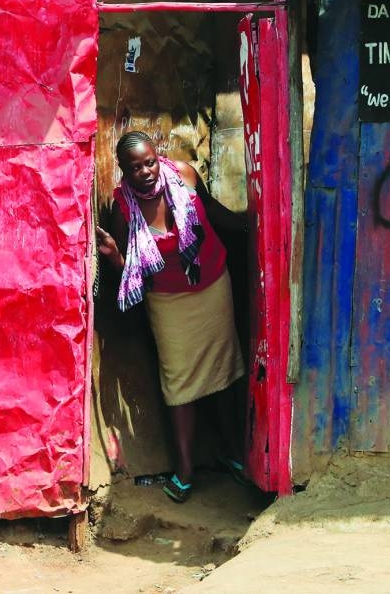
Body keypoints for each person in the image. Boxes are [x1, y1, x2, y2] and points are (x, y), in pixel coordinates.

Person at [96, 130, 248, 503]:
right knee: (179, 383)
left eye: (149, 162)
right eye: (136, 167)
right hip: (167, 299)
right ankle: (184, 469)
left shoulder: (183, 174)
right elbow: (129, 268)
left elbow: (211, 213)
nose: (146, 171)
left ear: (156, 156)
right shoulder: (124, 208)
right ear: (124, 171)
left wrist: (251, 226)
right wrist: (114, 255)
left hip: (213, 284)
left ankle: (233, 453)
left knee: (226, 372)